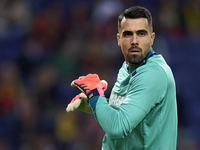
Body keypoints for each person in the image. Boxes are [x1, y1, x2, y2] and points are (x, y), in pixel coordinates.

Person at [67, 6, 178, 150]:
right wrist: (95, 103)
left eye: (141, 34)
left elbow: (117, 127)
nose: (134, 41)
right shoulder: (128, 67)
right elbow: (126, 109)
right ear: (119, 39)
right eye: (128, 34)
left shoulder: (153, 73)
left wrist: (94, 92)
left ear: (152, 39)